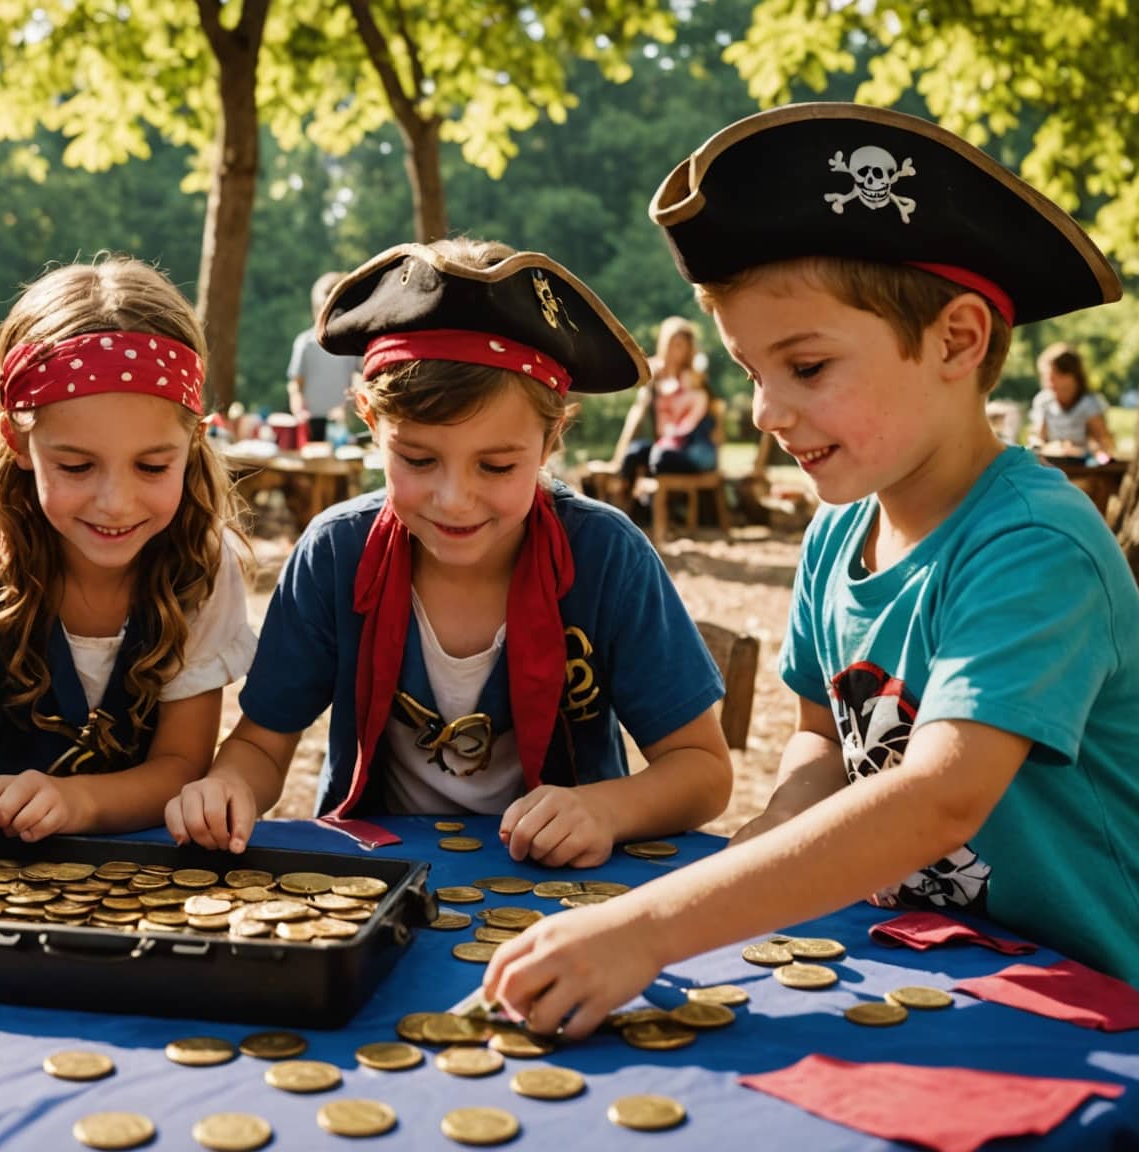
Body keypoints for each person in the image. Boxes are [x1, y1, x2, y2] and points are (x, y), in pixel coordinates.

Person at [484, 104, 1139, 1150]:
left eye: (804, 368)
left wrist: (656, 928)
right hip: (929, 981)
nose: (764, 410)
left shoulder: (1034, 542)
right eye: (753, 374)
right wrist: (732, 873)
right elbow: (821, 743)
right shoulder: (836, 534)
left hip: (1109, 1038)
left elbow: (940, 795)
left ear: (958, 339)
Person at [166, 238, 732, 867]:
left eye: (496, 465)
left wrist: (607, 808)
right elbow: (262, 748)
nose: (455, 500)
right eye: (417, 459)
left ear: (550, 439)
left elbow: (702, 770)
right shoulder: (335, 555)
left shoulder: (607, 556)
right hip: (374, 882)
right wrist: (228, 787)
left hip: (565, 893)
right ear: (371, 424)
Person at [0, 257, 256, 861]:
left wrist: (77, 801)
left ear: (194, 442)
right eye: (76, 466)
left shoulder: (201, 569)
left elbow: (181, 763)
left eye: (152, 465)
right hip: (1, 871)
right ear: (18, 442)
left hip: (150, 876)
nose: (115, 503)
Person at [609, 316, 718, 480]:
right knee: (633, 453)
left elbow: (703, 417)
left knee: (661, 458)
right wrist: (618, 456)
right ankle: (623, 498)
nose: (676, 352)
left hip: (693, 448)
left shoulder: (695, 379)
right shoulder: (654, 376)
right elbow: (637, 414)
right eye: (672, 345)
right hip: (664, 445)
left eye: (681, 346)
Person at [286, 271, 361, 444]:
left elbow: (359, 379)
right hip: (310, 423)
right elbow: (295, 385)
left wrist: (350, 409)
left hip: (341, 423)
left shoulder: (351, 344)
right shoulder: (305, 342)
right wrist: (299, 410)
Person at [1027, 341, 1118, 461]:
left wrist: (1083, 452)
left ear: (1071, 376)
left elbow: (1104, 444)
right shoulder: (1043, 401)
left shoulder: (1090, 403)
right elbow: (1038, 438)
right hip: (1052, 463)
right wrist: (1049, 448)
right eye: (1045, 376)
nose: (1049, 381)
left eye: (1054, 375)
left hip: (1083, 466)